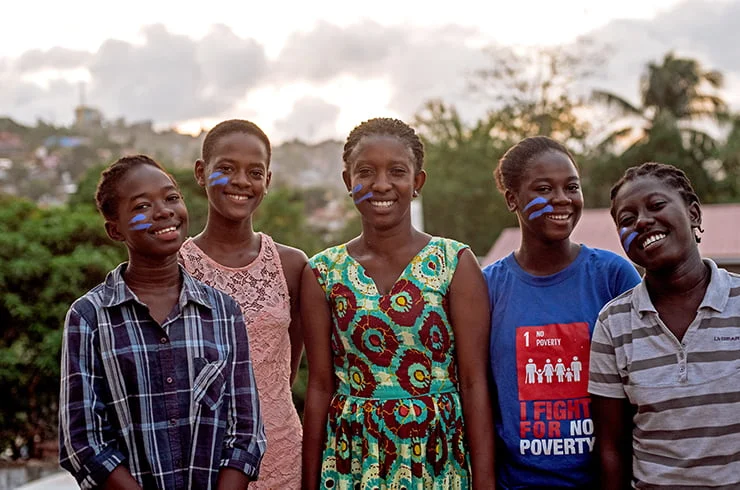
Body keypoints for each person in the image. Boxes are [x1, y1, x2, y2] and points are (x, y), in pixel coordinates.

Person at [301, 118, 495, 489]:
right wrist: (310, 483)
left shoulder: (454, 262)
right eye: (366, 172)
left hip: (438, 458)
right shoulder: (323, 272)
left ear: (417, 182)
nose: (381, 184)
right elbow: (320, 386)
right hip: (354, 459)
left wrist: (484, 482)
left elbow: (473, 382)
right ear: (348, 182)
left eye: (397, 172)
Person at [58, 155, 265, 489]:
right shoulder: (89, 318)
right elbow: (83, 442)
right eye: (142, 206)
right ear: (115, 229)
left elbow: (246, 432)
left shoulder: (224, 312)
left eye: (171, 198)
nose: (164, 211)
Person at [482, 136, 641, 489]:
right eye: (544, 188)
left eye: (572, 186)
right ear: (512, 199)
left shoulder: (614, 276)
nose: (562, 198)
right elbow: (478, 392)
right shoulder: (487, 288)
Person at [589, 162, 740, 489]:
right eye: (627, 220)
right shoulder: (613, 323)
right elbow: (610, 449)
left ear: (694, 214)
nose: (642, 221)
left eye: (656, 205)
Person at [179, 120, 307, 489]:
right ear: (202, 174)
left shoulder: (292, 265)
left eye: (254, 172)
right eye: (226, 169)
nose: (241, 181)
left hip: (281, 455)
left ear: (268, 180)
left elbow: (289, 368)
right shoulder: (176, 268)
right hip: (203, 461)